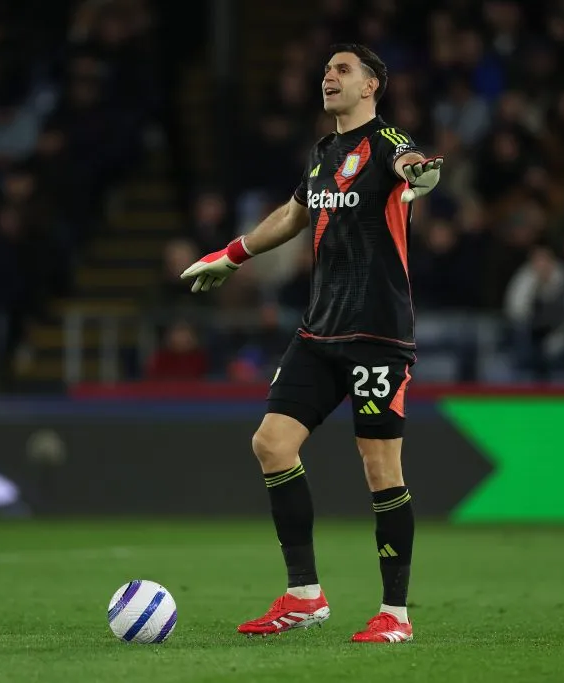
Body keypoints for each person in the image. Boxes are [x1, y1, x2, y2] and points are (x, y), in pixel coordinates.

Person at [181, 44, 442, 644]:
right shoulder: (325, 152)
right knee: (272, 443)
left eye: (343, 69)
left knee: (380, 469)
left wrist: (420, 174)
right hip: (319, 332)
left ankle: (395, 615)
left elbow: (416, 165)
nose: (329, 76)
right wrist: (233, 254)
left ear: (372, 86)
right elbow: (296, 213)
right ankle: (304, 596)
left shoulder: (387, 144)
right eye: (327, 69)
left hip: (377, 335)